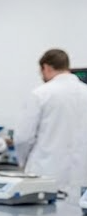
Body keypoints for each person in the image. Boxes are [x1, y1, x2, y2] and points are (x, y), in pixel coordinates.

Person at [15, 49, 87, 188]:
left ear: (46, 67)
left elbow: (23, 138)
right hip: (81, 177)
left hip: (44, 174)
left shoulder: (40, 94)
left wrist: (23, 162)